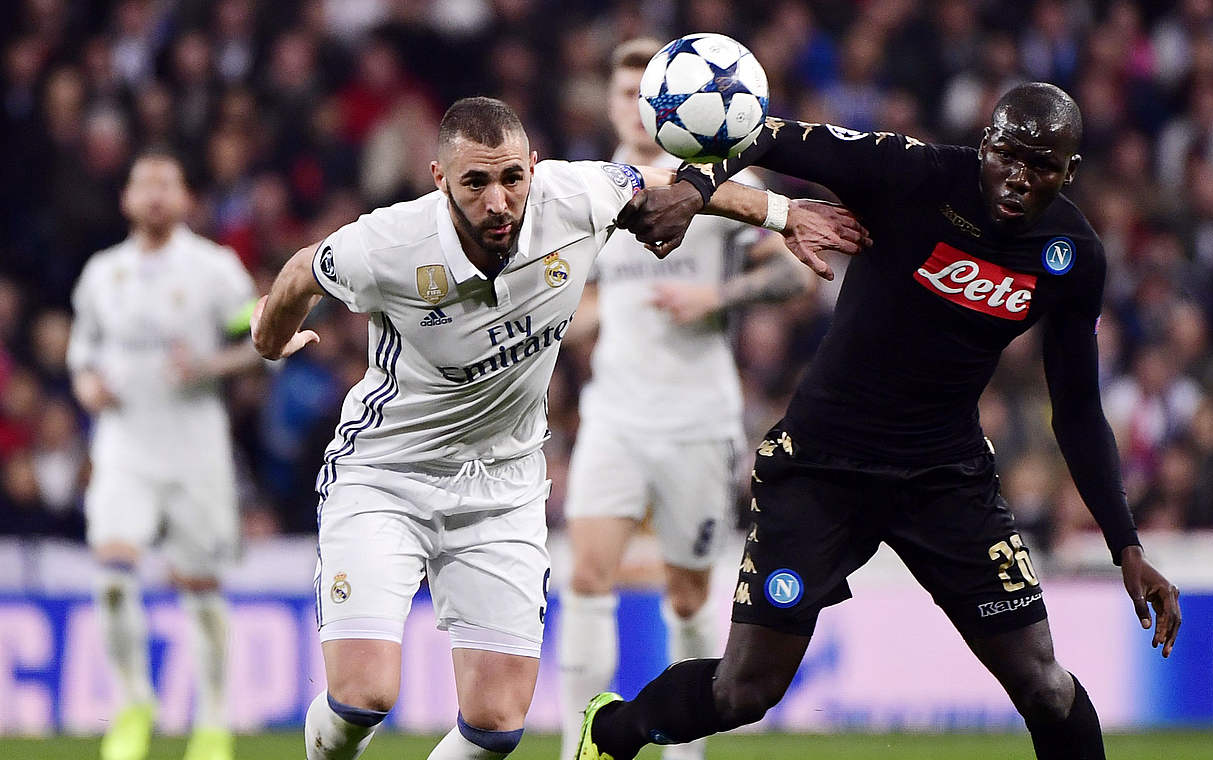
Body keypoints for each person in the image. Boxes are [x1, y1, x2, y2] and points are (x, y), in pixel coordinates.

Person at [573, 83, 1182, 760]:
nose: (1017, 176)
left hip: (945, 477)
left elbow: (1075, 406)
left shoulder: (1073, 256)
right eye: (1007, 154)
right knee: (744, 691)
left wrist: (1126, 547)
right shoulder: (910, 172)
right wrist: (692, 189)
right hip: (820, 466)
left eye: (1040, 166)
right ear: (983, 146)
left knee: (1045, 686)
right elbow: (763, 132)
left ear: (1068, 173)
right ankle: (611, 731)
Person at [249, 96, 864, 760]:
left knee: (495, 725)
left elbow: (673, 188)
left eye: (512, 178)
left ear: (534, 169)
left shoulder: (577, 195)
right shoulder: (389, 244)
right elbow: (301, 271)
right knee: (362, 697)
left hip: (503, 488)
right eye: (475, 183)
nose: (498, 201)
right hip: (386, 477)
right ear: (438, 179)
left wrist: (784, 213)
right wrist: (269, 337)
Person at [556, 39, 814, 760]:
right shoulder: (582, 188)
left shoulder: (722, 179)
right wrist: (591, 315)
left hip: (698, 420)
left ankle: (684, 749)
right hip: (613, 415)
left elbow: (796, 275)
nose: (634, 111)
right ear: (609, 104)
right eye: (622, 95)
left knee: (691, 597)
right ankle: (581, 743)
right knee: (586, 574)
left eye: (647, 95)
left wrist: (719, 294)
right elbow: (557, 304)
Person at [67, 151, 261, 760]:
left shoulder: (214, 268)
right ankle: (133, 702)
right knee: (113, 577)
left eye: (166, 183)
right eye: (143, 184)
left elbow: (258, 335)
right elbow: (81, 356)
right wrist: (87, 387)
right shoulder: (102, 273)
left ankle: (212, 718)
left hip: (195, 449)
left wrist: (211, 363)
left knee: (200, 587)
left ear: (184, 199)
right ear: (126, 199)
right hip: (124, 446)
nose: (154, 194)